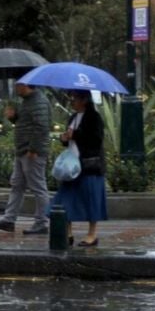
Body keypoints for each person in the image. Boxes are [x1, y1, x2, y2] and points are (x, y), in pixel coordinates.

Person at [0, 83, 52, 235]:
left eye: (18, 85)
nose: (16, 88)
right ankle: (9, 219)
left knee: (38, 186)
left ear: (26, 85)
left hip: (31, 152)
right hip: (22, 150)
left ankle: (42, 222)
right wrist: (14, 117)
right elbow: (26, 124)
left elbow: (41, 126)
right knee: (17, 185)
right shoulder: (27, 101)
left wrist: (33, 149)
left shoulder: (39, 102)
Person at [52, 90, 107, 247]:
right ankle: (67, 232)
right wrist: (64, 138)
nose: (72, 101)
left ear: (84, 100)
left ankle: (92, 234)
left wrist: (75, 135)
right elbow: (69, 138)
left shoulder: (94, 118)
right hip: (72, 165)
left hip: (89, 165)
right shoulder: (73, 117)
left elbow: (96, 140)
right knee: (65, 199)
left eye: (75, 98)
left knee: (91, 200)